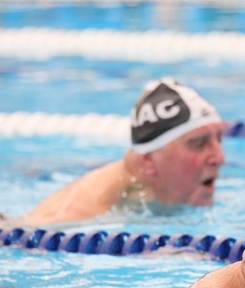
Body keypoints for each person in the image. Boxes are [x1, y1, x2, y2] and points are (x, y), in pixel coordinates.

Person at [23, 78, 226, 225]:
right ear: (148, 161)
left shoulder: (142, 190)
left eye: (219, 139)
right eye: (199, 144)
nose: (219, 158)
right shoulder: (76, 218)